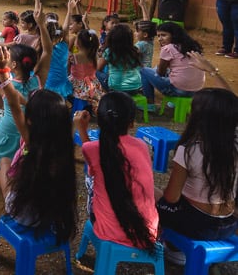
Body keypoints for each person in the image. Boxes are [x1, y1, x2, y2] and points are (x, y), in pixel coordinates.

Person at [0, 45, 77, 244]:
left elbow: (13, 103)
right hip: (53, 215)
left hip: (25, 215)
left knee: (1, 166)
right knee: (4, 170)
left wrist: (3, 71)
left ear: (31, 119)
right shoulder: (64, 144)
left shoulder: (32, 140)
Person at [156, 88, 238, 264]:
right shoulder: (235, 147)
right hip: (229, 225)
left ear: (199, 118)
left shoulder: (190, 149)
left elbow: (171, 198)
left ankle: (175, 249)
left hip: (197, 226)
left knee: (151, 194)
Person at [0, 0, 52, 168]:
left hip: (9, 136)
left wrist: (1, 70)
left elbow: (1, 100)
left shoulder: (8, 84)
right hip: (31, 134)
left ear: (12, 65)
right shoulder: (38, 78)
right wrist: (42, 25)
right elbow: (48, 50)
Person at [75, 93, 158, 250]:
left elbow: (93, 160)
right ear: (132, 123)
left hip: (109, 231)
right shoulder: (141, 146)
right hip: (147, 232)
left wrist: (81, 128)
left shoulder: (92, 148)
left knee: (91, 179)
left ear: (99, 121)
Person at [140, 22, 205, 107]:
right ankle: (174, 102)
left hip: (179, 90)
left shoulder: (168, 48)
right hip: (195, 91)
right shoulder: (193, 46)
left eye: (163, 35)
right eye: (158, 36)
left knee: (144, 71)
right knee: (170, 70)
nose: (160, 39)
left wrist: (158, 70)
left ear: (174, 35)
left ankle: (149, 104)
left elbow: (160, 73)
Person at [97, 23, 143, 94]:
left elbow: (98, 68)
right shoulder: (135, 50)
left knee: (95, 73)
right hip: (136, 87)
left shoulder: (109, 51)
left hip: (116, 88)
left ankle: (106, 95)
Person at [43, 0, 74, 100]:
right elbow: (65, 30)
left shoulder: (45, 48)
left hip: (49, 82)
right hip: (62, 81)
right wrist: (69, 10)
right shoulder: (64, 45)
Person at [68, 29, 104, 112]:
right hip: (93, 83)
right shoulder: (93, 53)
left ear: (79, 42)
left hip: (78, 84)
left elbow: (68, 68)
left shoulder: (75, 56)